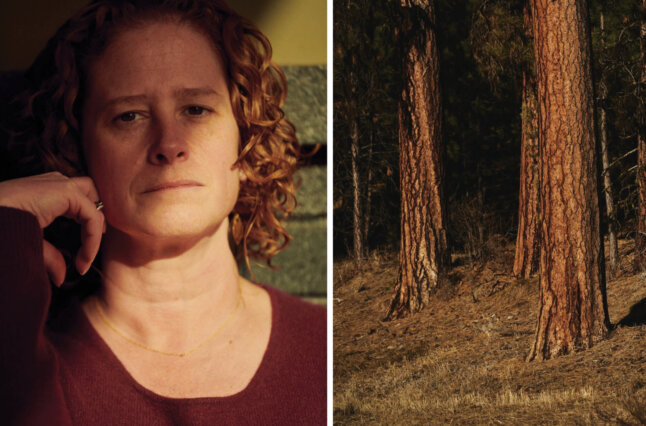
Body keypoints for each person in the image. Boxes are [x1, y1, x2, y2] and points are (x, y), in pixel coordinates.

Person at [0, 0, 326, 424]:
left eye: (196, 109)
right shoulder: (22, 357)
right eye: (129, 116)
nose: (170, 144)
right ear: (76, 153)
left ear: (246, 143)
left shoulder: (328, 348)